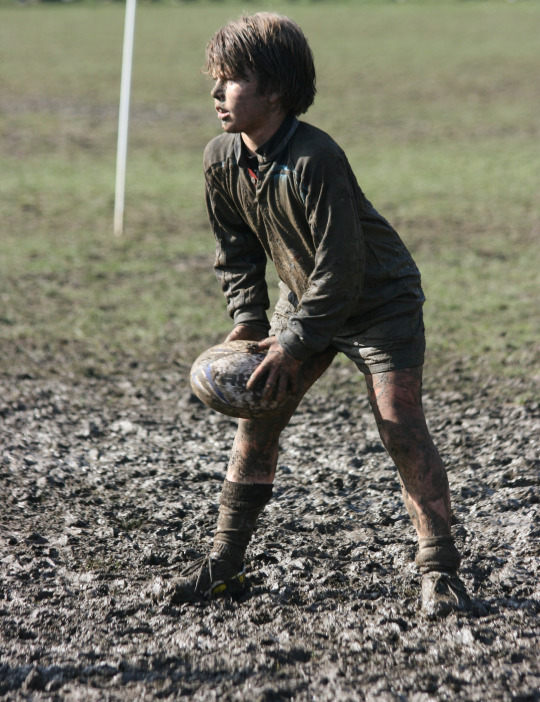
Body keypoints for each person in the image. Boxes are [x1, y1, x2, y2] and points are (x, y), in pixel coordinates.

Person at [167, 12, 469, 617]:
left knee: (400, 424)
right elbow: (235, 250)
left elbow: (342, 270)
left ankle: (440, 571)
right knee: (259, 416)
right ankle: (225, 565)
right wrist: (250, 321)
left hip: (379, 301)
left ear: (274, 90)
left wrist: (292, 344)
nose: (215, 93)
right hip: (304, 300)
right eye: (216, 79)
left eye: (230, 80)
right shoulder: (221, 158)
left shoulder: (315, 158)